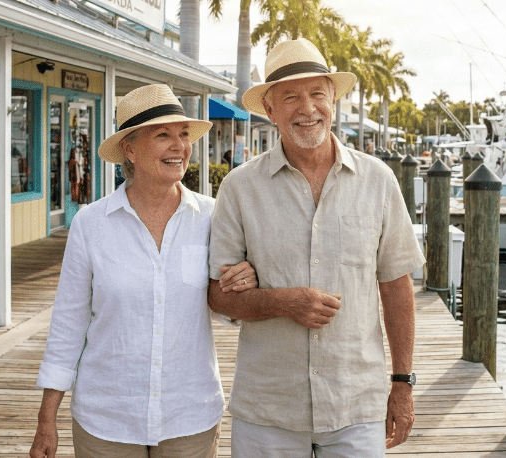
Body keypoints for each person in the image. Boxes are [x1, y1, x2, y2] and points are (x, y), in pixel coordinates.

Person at [207, 38, 425, 457]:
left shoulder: (378, 181)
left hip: (356, 405)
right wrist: (284, 302)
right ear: (270, 109)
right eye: (290, 97)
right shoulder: (238, 188)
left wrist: (403, 384)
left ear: (333, 100)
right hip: (268, 410)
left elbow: (396, 287)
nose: (307, 109)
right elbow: (219, 296)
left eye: (316, 94)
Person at [29, 84, 258, 458]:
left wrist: (242, 282)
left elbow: (227, 306)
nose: (179, 146)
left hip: (190, 415)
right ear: (130, 150)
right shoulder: (91, 224)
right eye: (163, 135)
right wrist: (46, 418)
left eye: (184, 135)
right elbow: (68, 324)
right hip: (107, 419)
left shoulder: (214, 217)